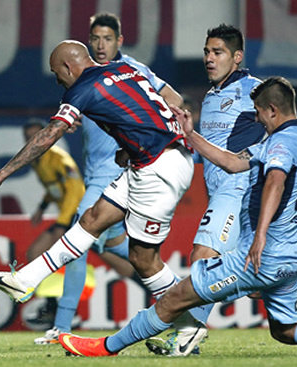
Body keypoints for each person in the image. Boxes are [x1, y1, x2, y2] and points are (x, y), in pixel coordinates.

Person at [58, 76, 297, 357]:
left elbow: (275, 181)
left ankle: (104, 347)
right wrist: (190, 134)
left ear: (273, 110)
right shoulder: (293, 138)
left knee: (176, 298)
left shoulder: (281, 145)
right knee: (285, 330)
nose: (258, 119)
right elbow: (232, 162)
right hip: (290, 256)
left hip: (262, 256)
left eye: (260, 113)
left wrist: (259, 235)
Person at [145, 24, 297, 357]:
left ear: (237, 57)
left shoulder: (251, 88)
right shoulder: (211, 95)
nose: (210, 58)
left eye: (218, 52)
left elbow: (287, 117)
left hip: (237, 188)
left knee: (202, 256)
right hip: (219, 188)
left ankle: (186, 337)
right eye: (207, 51)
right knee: (256, 286)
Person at [0, 40, 195, 340]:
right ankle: (23, 279)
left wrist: (4, 172)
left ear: (68, 67)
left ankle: (190, 324)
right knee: (91, 220)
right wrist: (131, 148)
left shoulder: (82, 88)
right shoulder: (125, 69)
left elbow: (50, 134)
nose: (57, 80)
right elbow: (157, 106)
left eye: (56, 73)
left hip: (159, 168)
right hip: (153, 159)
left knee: (143, 260)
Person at [33, 12, 186, 346]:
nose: (101, 45)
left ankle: (61, 325)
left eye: (107, 39)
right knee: (128, 253)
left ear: (119, 41)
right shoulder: (85, 77)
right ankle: (183, 308)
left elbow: (173, 99)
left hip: (121, 171)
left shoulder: (131, 69)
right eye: (95, 39)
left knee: (79, 235)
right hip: (97, 174)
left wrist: (149, 130)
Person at [20, 118, 85, 328]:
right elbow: (54, 188)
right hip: (66, 217)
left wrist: (63, 223)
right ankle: (52, 307)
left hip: (78, 216)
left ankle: (159, 294)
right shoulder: (38, 160)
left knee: (119, 259)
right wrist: (42, 206)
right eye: (29, 137)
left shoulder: (58, 157)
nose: (33, 140)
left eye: (37, 135)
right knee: (35, 253)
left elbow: (75, 189)